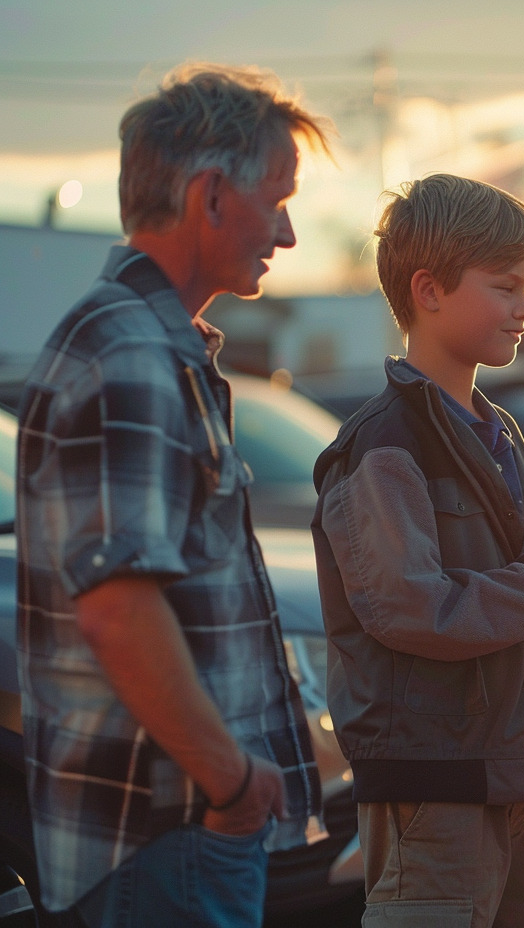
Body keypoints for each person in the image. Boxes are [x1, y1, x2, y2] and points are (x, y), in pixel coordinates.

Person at [15, 63, 333, 926]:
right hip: (163, 831)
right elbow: (118, 609)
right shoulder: (129, 354)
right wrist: (230, 779)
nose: (290, 232)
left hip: (176, 829)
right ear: (212, 196)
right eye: (278, 199)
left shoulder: (155, 345)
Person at [310, 172, 524, 928]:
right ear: (429, 289)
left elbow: (502, 591)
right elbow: (413, 609)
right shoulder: (385, 445)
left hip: (518, 775)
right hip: (434, 787)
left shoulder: (498, 435)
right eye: (505, 286)